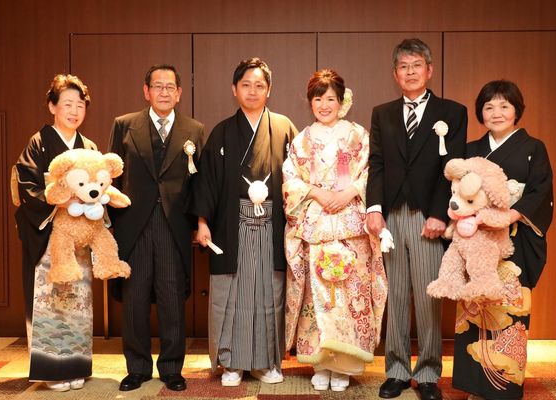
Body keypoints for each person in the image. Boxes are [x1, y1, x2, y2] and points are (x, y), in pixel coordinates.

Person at [366, 38, 468, 400]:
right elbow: (377, 164)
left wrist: (440, 214)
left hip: (429, 217)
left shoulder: (452, 112)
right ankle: (395, 370)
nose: (410, 72)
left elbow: (452, 169)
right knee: (395, 295)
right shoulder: (383, 113)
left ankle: (427, 374)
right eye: (403, 67)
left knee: (428, 297)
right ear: (395, 74)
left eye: (416, 65)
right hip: (392, 216)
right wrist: (374, 208)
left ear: (429, 70)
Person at [188, 57, 298, 387]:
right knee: (232, 296)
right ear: (234, 89)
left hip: (271, 226)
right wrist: (202, 222)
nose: (252, 91)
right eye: (246, 85)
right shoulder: (222, 132)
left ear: (269, 90)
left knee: (268, 295)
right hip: (231, 226)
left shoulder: (284, 128)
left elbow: (298, 179)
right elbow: (207, 182)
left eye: (259, 85)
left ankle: (266, 362)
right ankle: (231, 362)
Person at [282, 69, 388, 392]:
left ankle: (345, 365)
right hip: (316, 224)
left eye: (331, 99)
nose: (324, 105)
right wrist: (316, 192)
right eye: (318, 99)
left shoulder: (358, 135)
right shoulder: (302, 140)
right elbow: (291, 178)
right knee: (318, 296)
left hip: (352, 225)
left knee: (350, 295)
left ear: (342, 101)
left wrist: (350, 191)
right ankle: (321, 362)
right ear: (310, 102)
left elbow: (372, 171)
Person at [452, 80, 553, 400]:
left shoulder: (533, 148)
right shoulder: (471, 149)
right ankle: (474, 386)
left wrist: (510, 215)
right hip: (476, 237)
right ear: (480, 112)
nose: (496, 113)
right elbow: (457, 192)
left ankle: (504, 387)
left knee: (509, 307)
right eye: (489, 107)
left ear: (516, 110)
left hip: (513, 239)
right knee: (474, 307)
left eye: (504, 106)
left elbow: (540, 191)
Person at [108, 64, 204, 392]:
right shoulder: (124, 125)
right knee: (134, 299)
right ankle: (137, 368)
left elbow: (199, 182)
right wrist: (109, 224)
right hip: (132, 225)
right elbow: (111, 177)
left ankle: (172, 369)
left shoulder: (194, 129)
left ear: (179, 93)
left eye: (170, 87)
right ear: (146, 91)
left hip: (173, 225)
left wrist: (199, 222)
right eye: (158, 86)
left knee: (171, 298)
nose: (164, 92)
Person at [14, 74, 96, 392]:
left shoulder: (89, 148)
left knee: (77, 303)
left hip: (79, 239)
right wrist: (60, 201)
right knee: (50, 302)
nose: (74, 111)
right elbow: (27, 186)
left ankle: (76, 365)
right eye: (67, 104)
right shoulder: (38, 143)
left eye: (80, 105)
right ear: (52, 106)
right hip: (48, 236)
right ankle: (51, 369)